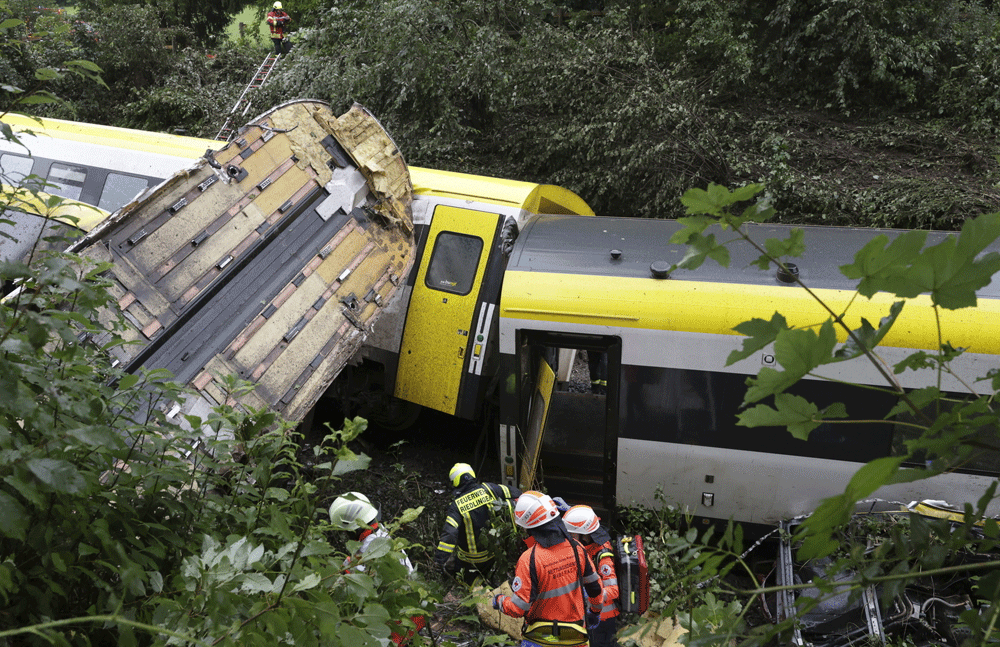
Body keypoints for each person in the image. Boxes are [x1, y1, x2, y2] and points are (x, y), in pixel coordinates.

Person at [492, 491, 604, 647]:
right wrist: (595, 612)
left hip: (541, 639)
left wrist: (499, 601)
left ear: (528, 527)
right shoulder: (577, 548)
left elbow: (518, 609)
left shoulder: (529, 559)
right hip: (576, 638)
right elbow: (596, 589)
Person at [328, 492, 425, 645]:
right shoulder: (380, 535)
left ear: (353, 528)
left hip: (399, 627)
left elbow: (363, 590)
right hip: (414, 617)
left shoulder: (371, 550)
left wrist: (345, 570)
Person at [435, 462, 522, 584]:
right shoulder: (489, 489)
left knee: (460, 575)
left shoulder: (456, 505)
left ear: (455, 482)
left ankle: (476, 587)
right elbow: (516, 493)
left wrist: (439, 560)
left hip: (470, 560)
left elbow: (449, 535)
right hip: (494, 553)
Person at [563, 505, 619, 647]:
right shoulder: (589, 544)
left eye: (572, 534)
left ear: (584, 534)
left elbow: (613, 590)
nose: (570, 537)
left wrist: (588, 594)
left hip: (603, 619)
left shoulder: (603, 556)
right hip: (592, 614)